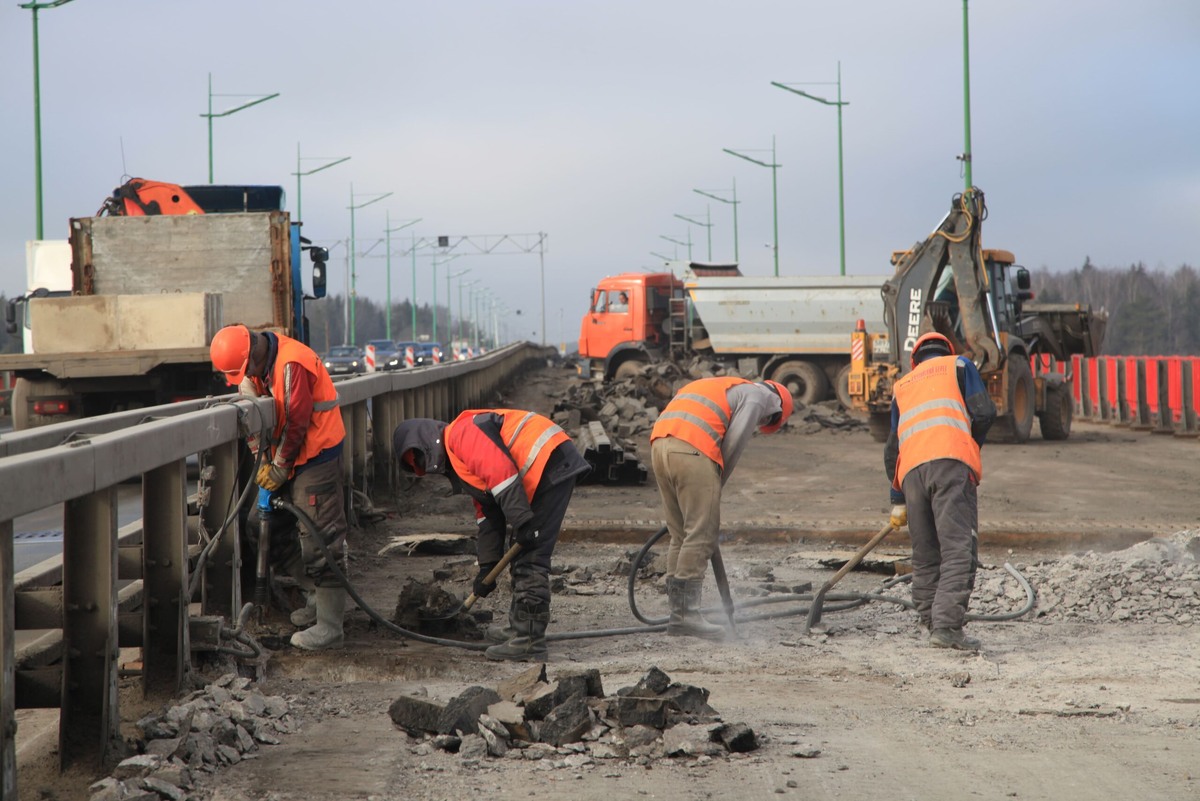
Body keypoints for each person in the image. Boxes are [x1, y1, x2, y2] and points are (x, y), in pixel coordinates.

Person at [392, 409, 590, 661]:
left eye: (419, 461)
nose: (423, 470)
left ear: (426, 443)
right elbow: (488, 513)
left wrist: (523, 522)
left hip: (549, 460)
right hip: (546, 462)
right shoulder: (458, 458)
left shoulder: (461, 434)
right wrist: (488, 566)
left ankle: (529, 640)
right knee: (521, 549)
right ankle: (518, 628)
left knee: (531, 555)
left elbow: (502, 475)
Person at [209, 324, 351, 651]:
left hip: (316, 458)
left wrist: (279, 468)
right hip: (289, 459)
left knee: (320, 537)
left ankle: (331, 627)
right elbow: (258, 416)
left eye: (246, 370)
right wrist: (265, 461)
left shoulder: (291, 364)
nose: (246, 376)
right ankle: (315, 593)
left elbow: (295, 421)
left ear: (254, 355)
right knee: (263, 528)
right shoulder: (262, 367)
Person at [650, 376, 793, 639]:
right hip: (692, 448)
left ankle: (677, 613)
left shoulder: (722, 385)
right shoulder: (759, 397)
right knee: (701, 534)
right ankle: (687, 616)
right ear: (777, 407)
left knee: (680, 534)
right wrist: (714, 486)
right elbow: (733, 444)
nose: (762, 423)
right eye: (768, 421)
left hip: (660, 445)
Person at [884, 332, 996, 651]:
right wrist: (968, 444)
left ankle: (932, 621)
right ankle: (946, 627)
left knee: (926, 553)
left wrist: (897, 499)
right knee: (958, 548)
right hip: (949, 464)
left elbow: (892, 448)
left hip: (910, 474)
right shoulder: (959, 365)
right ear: (947, 351)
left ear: (914, 360)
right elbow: (985, 412)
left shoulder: (902, 386)